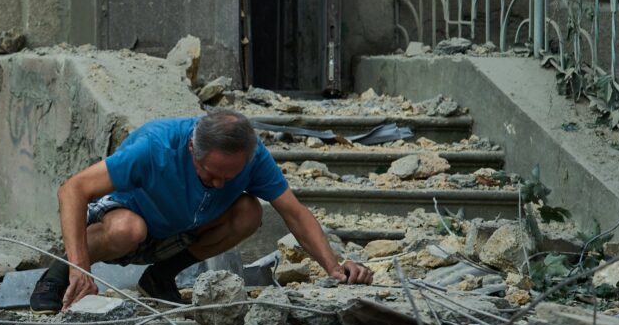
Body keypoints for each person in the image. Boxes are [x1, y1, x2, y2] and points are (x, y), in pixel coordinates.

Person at [31, 109, 373, 311]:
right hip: (126, 221)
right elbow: (72, 190)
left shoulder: (252, 159)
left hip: (179, 229)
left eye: (231, 176)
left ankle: (160, 277)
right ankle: (58, 275)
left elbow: (295, 212)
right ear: (192, 148)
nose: (220, 183)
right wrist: (79, 268)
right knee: (127, 229)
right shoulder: (156, 146)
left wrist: (334, 265)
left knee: (249, 211)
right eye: (210, 174)